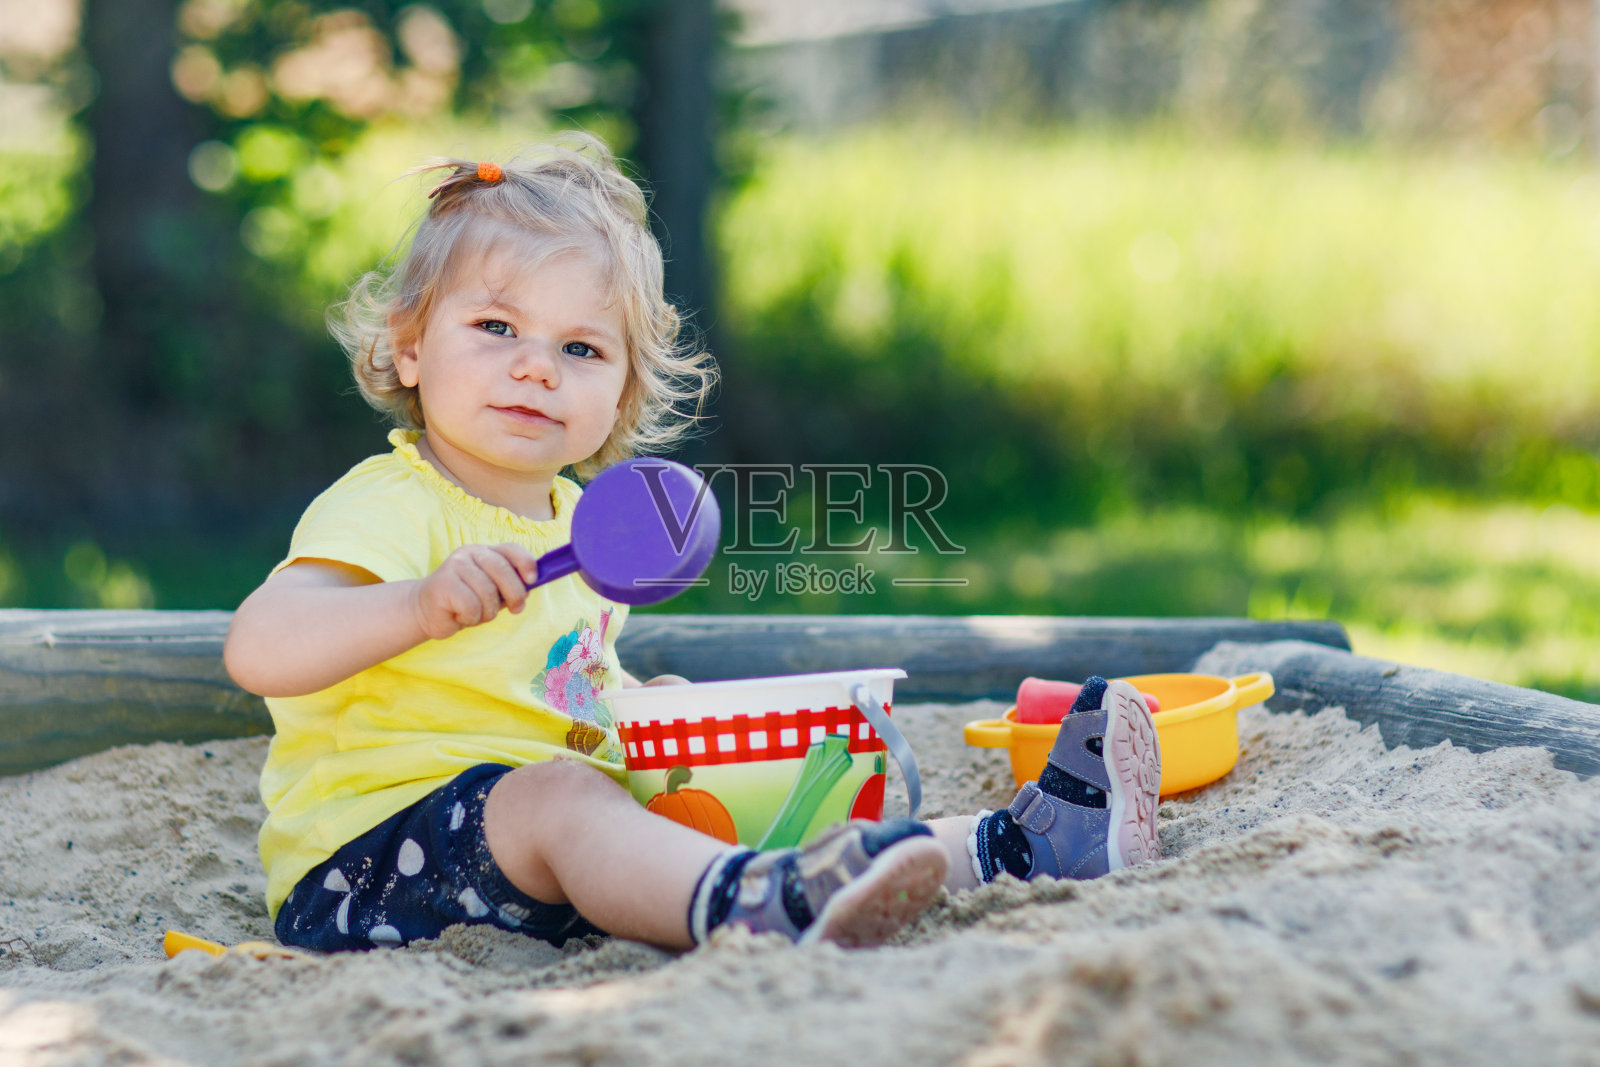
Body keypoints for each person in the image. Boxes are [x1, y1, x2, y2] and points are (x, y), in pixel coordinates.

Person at [224, 135, 1160, 955]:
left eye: (581, 349)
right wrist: (415, 604)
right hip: (370, 872)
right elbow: (259, 646)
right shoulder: (392, 504)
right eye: (496, 326)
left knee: (696, 756)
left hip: (533, 852)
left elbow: (555, 699)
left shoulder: (576, 525)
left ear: (622, 395)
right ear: (413, 345)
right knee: (559, 795)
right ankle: (751, 903)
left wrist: (646, 719)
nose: (535, 365)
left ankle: (1011, 849)